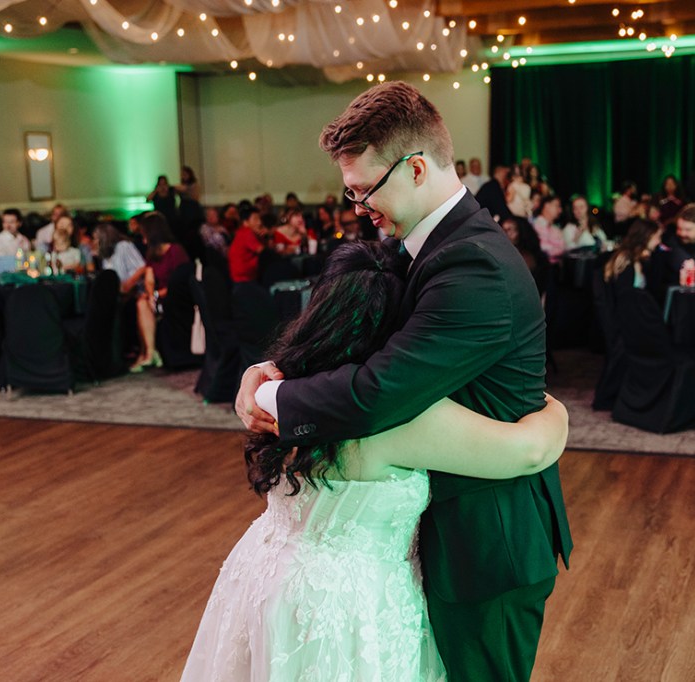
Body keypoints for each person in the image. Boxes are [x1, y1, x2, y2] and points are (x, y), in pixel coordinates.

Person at [235, 82, 572, 681]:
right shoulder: (433, 245)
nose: (358, 207)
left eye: (365, 189)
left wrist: (272, 398)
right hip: (445, 525)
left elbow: (378, 391)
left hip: (486, 541)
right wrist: (268, 373)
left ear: (416, 168)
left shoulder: (473, 264)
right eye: (351, 191)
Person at [181, 241, 568, 681]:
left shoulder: (285, 390)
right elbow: (530, 450)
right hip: (351, 606)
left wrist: (259, 373)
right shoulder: (401, 417)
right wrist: (554, 408)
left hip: (263, 576)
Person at [131, 212, 189, 372]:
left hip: (175, 297)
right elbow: (149, 279)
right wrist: (151, 296)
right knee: (142, 302)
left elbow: (180, 282)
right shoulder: (152, 254)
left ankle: (150, 353)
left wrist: (156, 295)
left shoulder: (176, 251)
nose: (143, 240)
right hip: (159, 297)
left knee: (143, 304)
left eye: (144, 235)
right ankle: (150, 352)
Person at [603, 219, 663, 294]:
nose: (659, 241)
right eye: (657, 237)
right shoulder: (625, 258)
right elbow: (622, 291)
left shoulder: (644, 259)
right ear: (647, 236)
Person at [92, 223, 146, 294]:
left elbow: (142, 268)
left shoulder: (123, 246)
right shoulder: (106, 256)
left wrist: (128, 285)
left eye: (95, 239)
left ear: (104, 238)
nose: (94, 242)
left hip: (135, 294)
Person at [228, 205, 268, 283]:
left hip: (248, 277)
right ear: (245, 222)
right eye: (255, 219)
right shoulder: (245, 233)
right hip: (244, 280)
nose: (259, 222)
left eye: (259, 219)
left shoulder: (247, 233)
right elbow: (264, 252)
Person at [532, 195, 565, 263]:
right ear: (547, 206)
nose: (560, 210)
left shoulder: (554, 228)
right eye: (557, 206)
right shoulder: (537, 225)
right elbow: (542, 248)